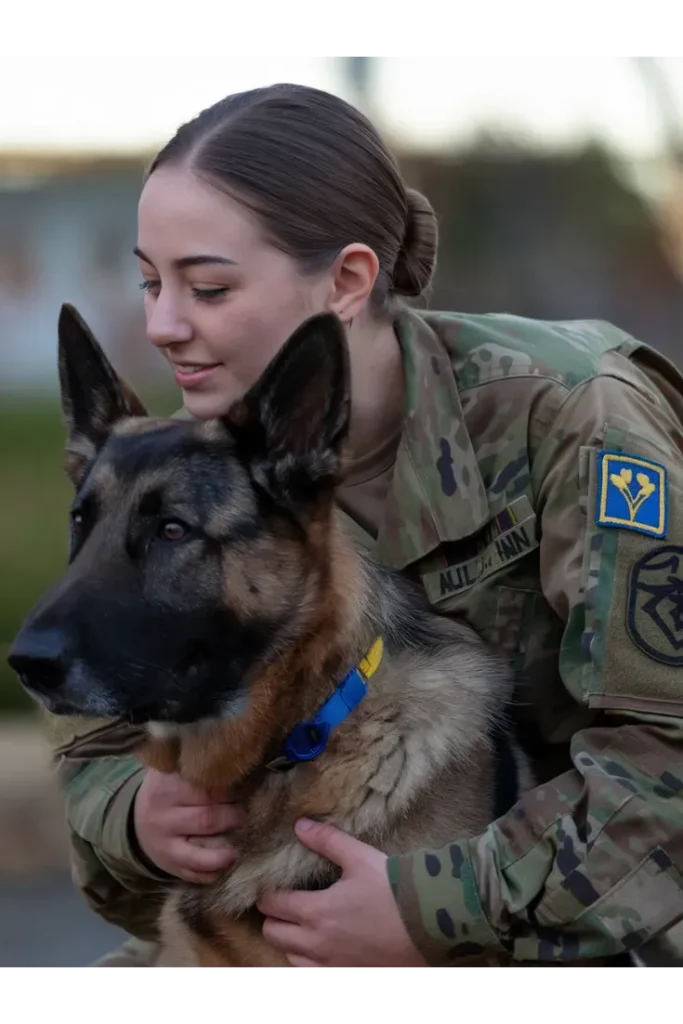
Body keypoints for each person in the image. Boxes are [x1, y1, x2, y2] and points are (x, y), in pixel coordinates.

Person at [43, 82, 683, 969]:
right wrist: (137, 818)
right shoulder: (213, 471)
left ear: (346, 280)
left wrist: (437, 907)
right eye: (150, 282)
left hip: (596, 915)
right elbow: (107, 725)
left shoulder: (576, 421)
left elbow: (668, 766)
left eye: (209, 286)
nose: (161, 326)